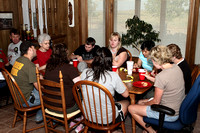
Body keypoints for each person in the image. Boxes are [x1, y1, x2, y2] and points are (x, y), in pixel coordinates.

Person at [128, 45, 185, 133]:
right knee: (139, 102)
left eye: (152, 61)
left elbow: (155, 102)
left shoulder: (161, 76)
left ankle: (151, 131)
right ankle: (151, 128)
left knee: (131, 108)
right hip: (178, 107)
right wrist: (144, 103)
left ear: (156, 61)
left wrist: (145, 104)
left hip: (168, 113)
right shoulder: (177, 67)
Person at [81, 47, 130, 124]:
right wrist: (118, 76)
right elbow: (126, 94)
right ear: (109, 60)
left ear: (94, 59)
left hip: (88, 116)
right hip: (107, 120)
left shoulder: (85, 72)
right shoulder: (113, 76)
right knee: (127, 102)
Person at [44, 43, 83, 132]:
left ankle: (75, 120)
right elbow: (80, 85)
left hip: (50, 106)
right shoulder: (69, 68)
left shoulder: (48, 67)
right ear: (65, 53)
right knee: (84, 95)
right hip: (66, 108)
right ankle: (81, 122)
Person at [11, 41, 43, 124]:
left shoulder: (18, 60)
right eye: (34, 48)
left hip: (17, 98)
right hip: (26, 101)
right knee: (49, 94)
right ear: (30, 49)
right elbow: (38, 88)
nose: (36, 50)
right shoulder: (30, 65)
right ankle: (47, 118)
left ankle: (40, 116)